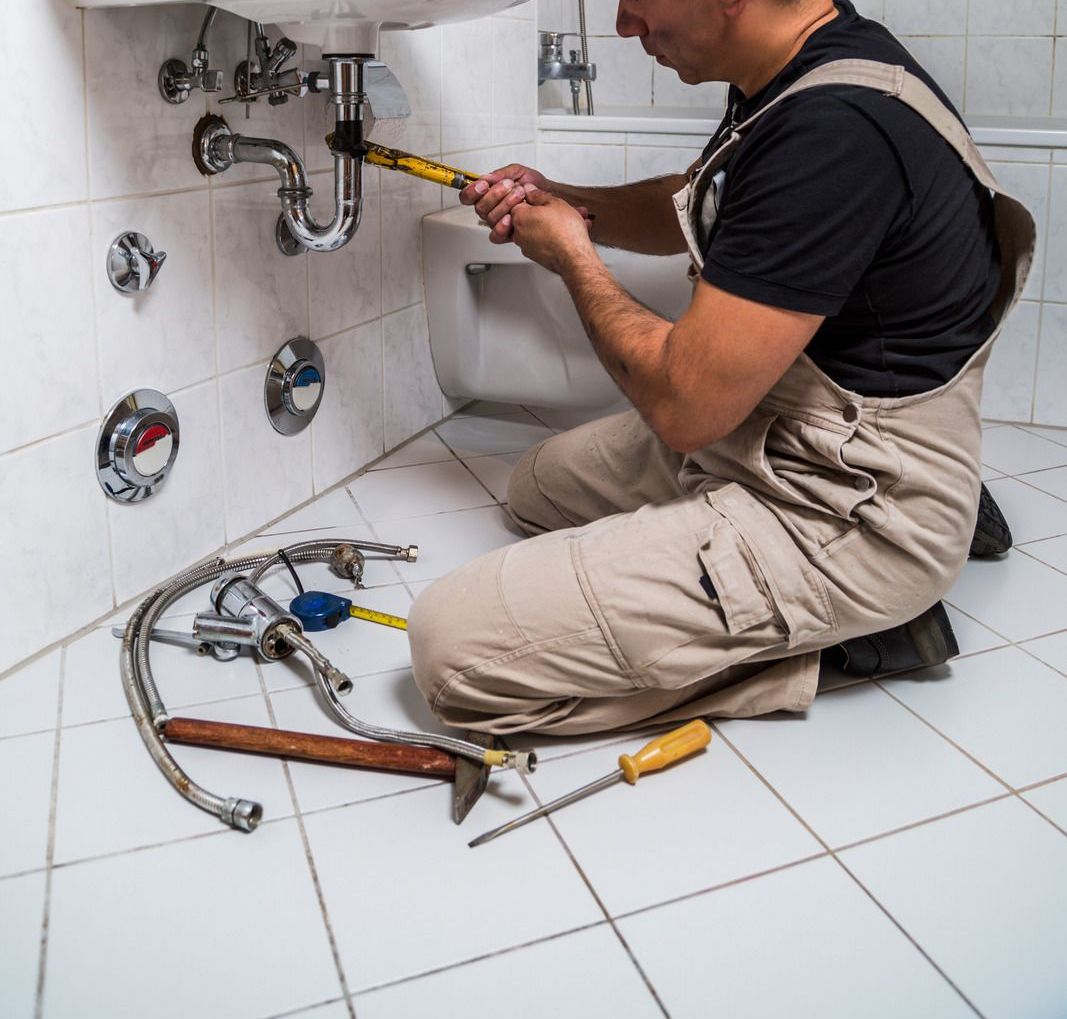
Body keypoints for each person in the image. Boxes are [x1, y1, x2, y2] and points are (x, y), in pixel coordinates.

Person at [405, 0, 1035, 735]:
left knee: (450, 651)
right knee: (536, 486)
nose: (622, 26)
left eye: (636, 0)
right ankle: (913, 510)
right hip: (781, 432)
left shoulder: (837, 131)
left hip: (842, 504)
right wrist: (569, 202)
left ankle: (861, 624)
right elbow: (705, 209)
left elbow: (682, 409)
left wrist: (570, 256)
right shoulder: (800, 67)